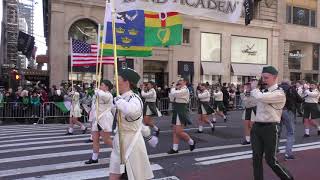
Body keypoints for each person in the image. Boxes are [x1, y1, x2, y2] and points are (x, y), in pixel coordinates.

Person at [250, 66, 294, 180]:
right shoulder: (262, 91)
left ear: (274, 77)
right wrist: (249, 92)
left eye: (266, 78)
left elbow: (261, 97)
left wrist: (254, 89)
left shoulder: (279, 93)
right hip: (257, 127)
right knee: (256, 158)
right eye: (262, 77)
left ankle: (288, 178)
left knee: (270, 160)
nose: (263, 80)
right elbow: (248, 104)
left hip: (270, 127)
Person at [110, 68, 154, 180]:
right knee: (114, 175)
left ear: (127, 82)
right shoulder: (121, 98)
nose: (116, 82)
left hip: (131, 143)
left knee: (132, 175)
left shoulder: (134, 98)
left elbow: (132, 111)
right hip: (120, 141)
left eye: (118, 79)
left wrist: (119, 102)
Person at [85, 80, 114, 164]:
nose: (100, 86)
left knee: (106, 140)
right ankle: (94, 158)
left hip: (104, 119)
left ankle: (120, 152)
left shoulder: (109, 95)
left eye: (102, 85)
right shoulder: (98, 93)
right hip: (96, 119)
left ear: (107, 87)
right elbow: (94, 103)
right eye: (100, 85)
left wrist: (97, 91)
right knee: (95, 139)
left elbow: (103, 95)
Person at [167, 78, 196, 154]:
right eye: (178, 80)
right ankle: (175, 148)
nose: (178, 82)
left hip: (181, 110)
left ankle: (191, 142)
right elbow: (172, 98)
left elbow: (174, 94)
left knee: (179, 131)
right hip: (176, 109)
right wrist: (175, 89)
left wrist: (173, 88)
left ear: (185, 82)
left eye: (180, 80)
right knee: (175, 131)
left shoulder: (185, 90)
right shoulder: (178, 89)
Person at [278, 80, 303, 160]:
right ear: (289, 83)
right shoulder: (291, 89)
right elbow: (299, 99)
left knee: (277, 130)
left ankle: (275, 149)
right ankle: (288, 154)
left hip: (277, 111)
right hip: (288, 111)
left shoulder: (277, 88)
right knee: (290, 132)